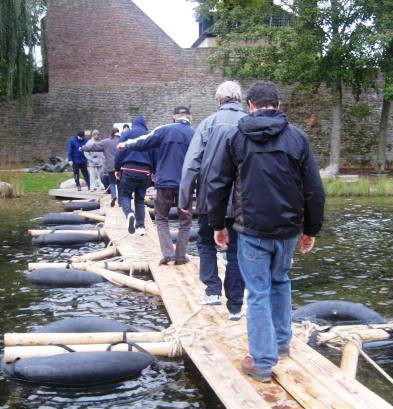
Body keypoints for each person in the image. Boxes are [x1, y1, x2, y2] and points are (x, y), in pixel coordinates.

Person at [206, 81, 325, 382]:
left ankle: (261, 361)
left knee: (258, 293)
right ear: (278, 104)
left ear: (250, 105)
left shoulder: (237, 138)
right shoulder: (297, 138)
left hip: (251, 230)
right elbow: (314, 189)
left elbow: (218, 185)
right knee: (281, 281)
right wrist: (310, 229)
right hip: (287, 231)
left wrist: (217, 225)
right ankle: (282, 343)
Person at [178, 81, 247, 320]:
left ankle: (212, 290)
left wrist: (184, 199)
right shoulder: (249, 123)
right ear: (240, 100)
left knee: (206, 242)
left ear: (218, 101)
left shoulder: (208, 124)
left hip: (210, 196)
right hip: (242, 200)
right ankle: (236, 305)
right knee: (236, 249)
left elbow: (191, 165)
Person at [119, 106, 194, 265]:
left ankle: (168, 253)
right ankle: (181, 256)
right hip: (185, 184)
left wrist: (125, 145)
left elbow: (144, 141)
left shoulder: (164, 130)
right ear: (190, 118)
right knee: (185, 221)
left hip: (165, 182)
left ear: (173, 118)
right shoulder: (195, 134)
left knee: (161, 218)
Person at [115, 116, 155, 235]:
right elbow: (155, 154)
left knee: (125, 196)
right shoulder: (150, 136)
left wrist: (117, 168)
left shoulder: (126, 134)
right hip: (145, 171)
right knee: (140, 200)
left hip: (129, 169)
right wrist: (153, 171)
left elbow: (119, 152)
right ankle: (140, 227)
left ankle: (129, 214)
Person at [81, 127, 120, 204]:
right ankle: (120, 199)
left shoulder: (106, 142)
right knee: (120, 182)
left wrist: (82, 148)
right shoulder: (122, 141)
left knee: (112, 182)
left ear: (110, 133)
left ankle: (113, 196)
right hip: (120, 166)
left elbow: (93, 147)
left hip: (110, 166)